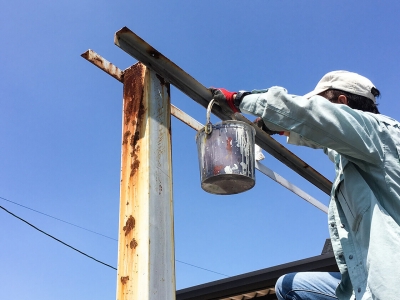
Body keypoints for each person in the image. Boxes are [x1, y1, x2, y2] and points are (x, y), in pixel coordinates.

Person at [211, 70, 400, 300]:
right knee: (290, 286)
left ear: (342, 103)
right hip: (366, 285)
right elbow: (321, 136)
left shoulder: (382, 133)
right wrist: (281, 127)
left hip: (390, 285)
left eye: (323, 105)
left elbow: (313, 118)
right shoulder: (361, 151)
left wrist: (239, 99)